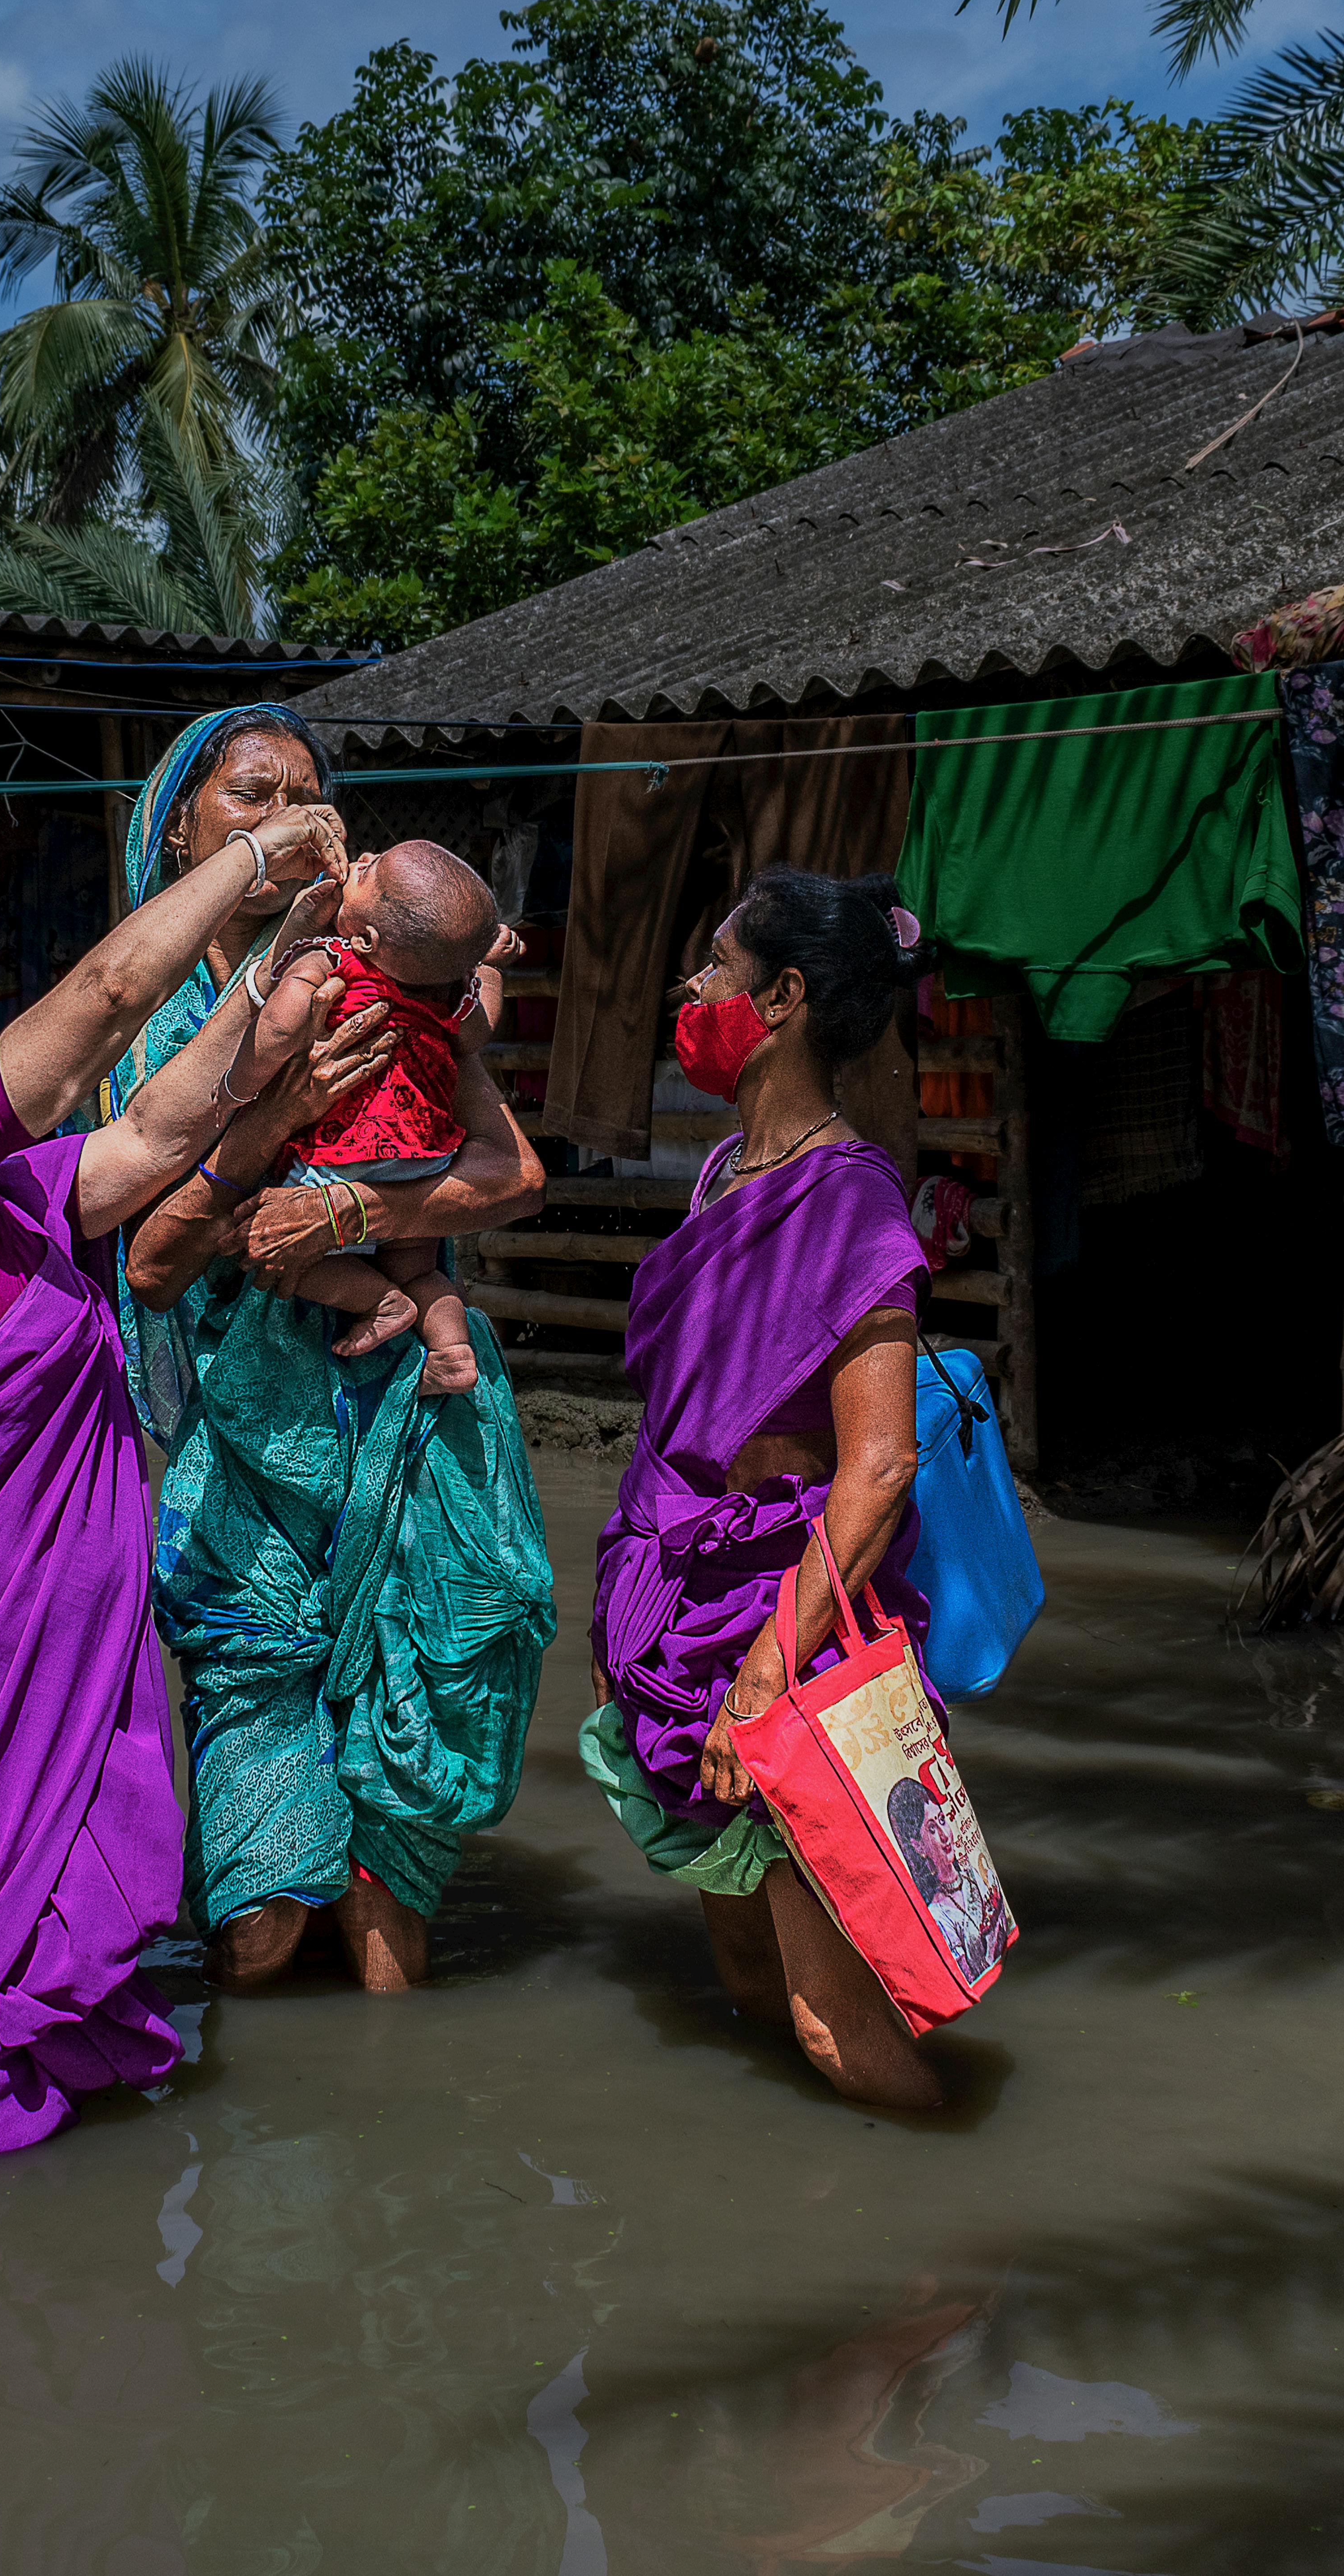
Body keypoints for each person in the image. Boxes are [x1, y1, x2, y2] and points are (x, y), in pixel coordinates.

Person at [0, 794, 356, 2160]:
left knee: (52, 1983)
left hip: (52, 1649)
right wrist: (249, 860)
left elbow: (161, 1132)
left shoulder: (15, 1195)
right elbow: (99, 1003)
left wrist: (294, 942)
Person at [110, 704, 556, 1999]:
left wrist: (355, 1210)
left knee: (389, 1873)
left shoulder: (403, 990)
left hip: (407, 1419)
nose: (293, 824)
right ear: (180, 824)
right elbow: (152, 1260)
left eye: (311, 799)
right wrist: (276, 1135)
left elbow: (511, 1171)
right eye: (252, 797)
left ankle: (379, 2109)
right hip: (243, 1457)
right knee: (257, 1911)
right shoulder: (157, 1032)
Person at [586, 866, 943, 2111]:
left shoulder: (850, 1198)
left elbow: (882, 1463)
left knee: (831, 2022)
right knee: (743, 1974)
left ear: (782, 997)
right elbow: (678, 1424)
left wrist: (763, 1671)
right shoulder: (724, 1173)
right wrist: (620, 1612)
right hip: (679, 1607)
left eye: (715, 967)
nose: (691, 990)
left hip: (777, 1626)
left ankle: (957, 2277)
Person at [239, 836, 518, 1397]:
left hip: (348, 1151)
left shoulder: (332, 957)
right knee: (418, 1267)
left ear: (363, 937)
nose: (358, 860)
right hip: (425, 1155)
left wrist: (266, 1042)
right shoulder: (447, 994)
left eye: (368, 873)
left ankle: (379, 1302)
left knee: (267, 1252)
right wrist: (486, 969)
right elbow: (476, 1031)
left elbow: (277, 1029)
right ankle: (452, 1352)